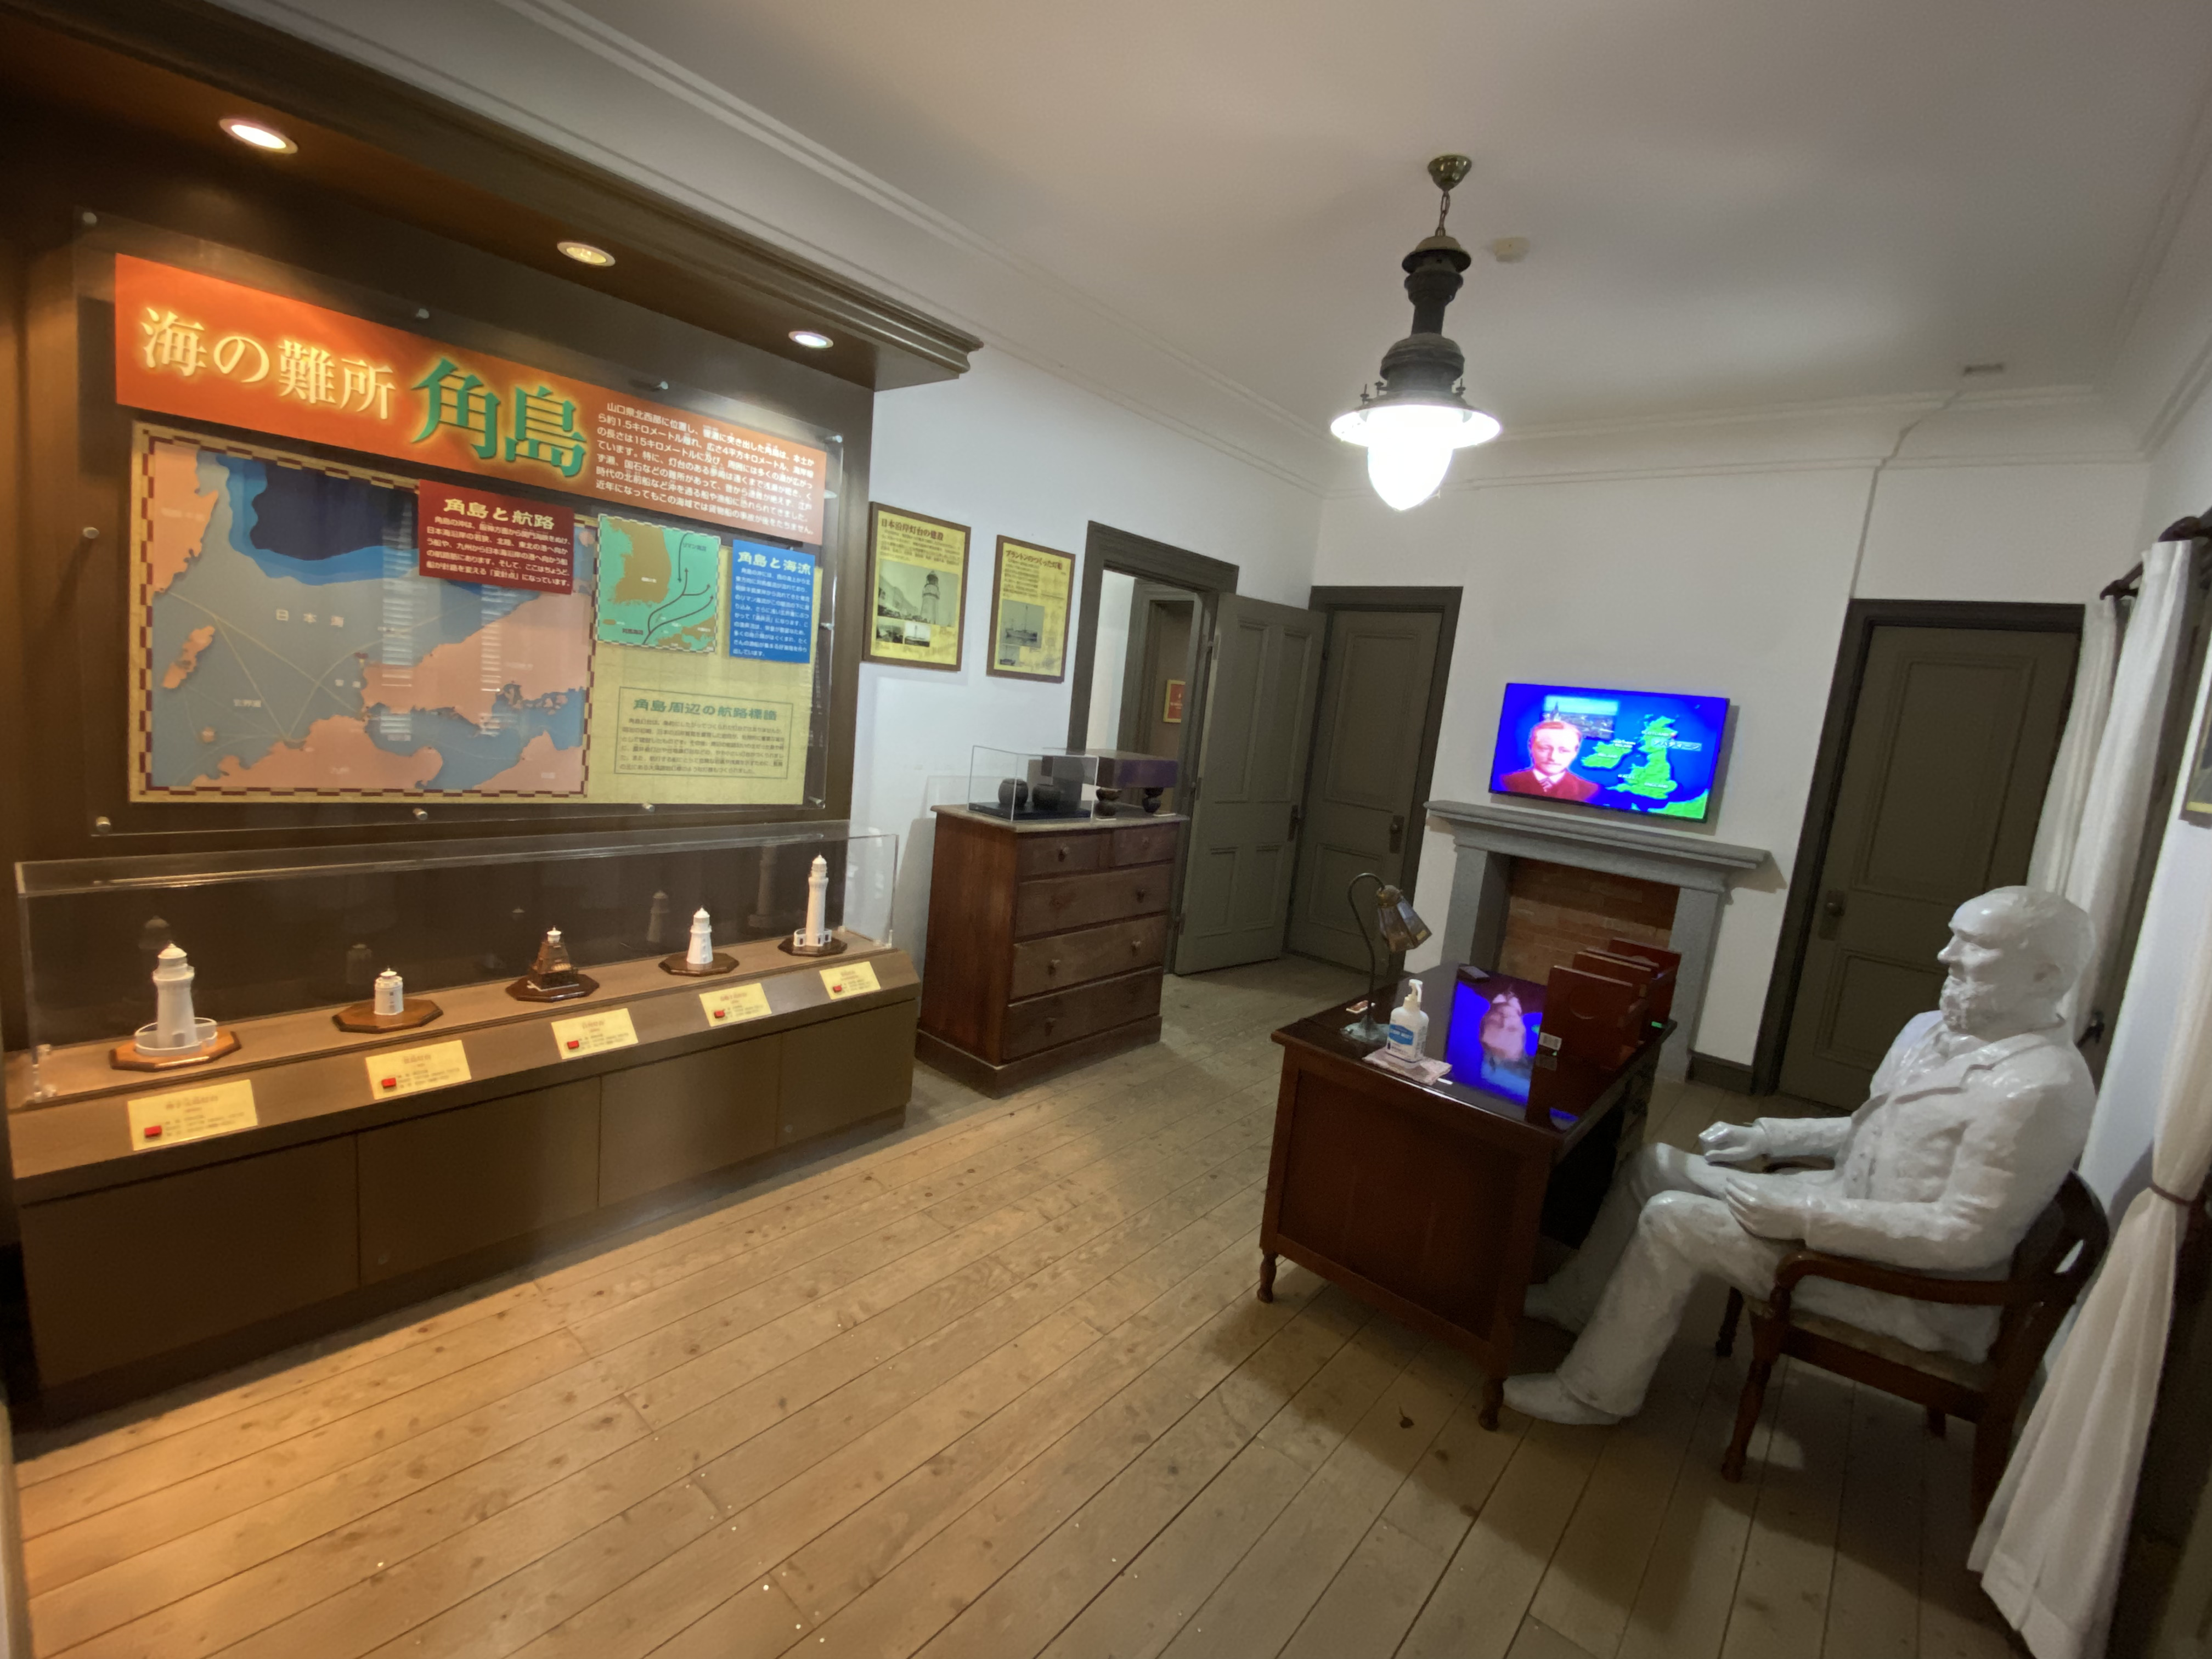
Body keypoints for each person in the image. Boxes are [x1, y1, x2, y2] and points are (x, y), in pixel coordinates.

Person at [1504, 886, 2097, 1426]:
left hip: (1898, 1284)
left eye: (1975, 946)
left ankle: (1595, 1393)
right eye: (1954, 937)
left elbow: (1969, 1237)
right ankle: (1577, 1302)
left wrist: (1803, 1217)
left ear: (2045, 975)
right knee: (1653, 1164)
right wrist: (1769, 1137)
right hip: (1840, 1204)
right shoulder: (1930, 1029)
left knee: (1673, 1220)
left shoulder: (2040, 1089)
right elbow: (1872, 1127)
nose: (1947, 956)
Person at [1499, 718, 1599, 802]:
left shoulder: (1591, 790)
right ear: (1531, 747)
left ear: (1575, 753)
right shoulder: (1505, 782)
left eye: (1564, 751)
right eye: (1545, 748)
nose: (1553, 757)